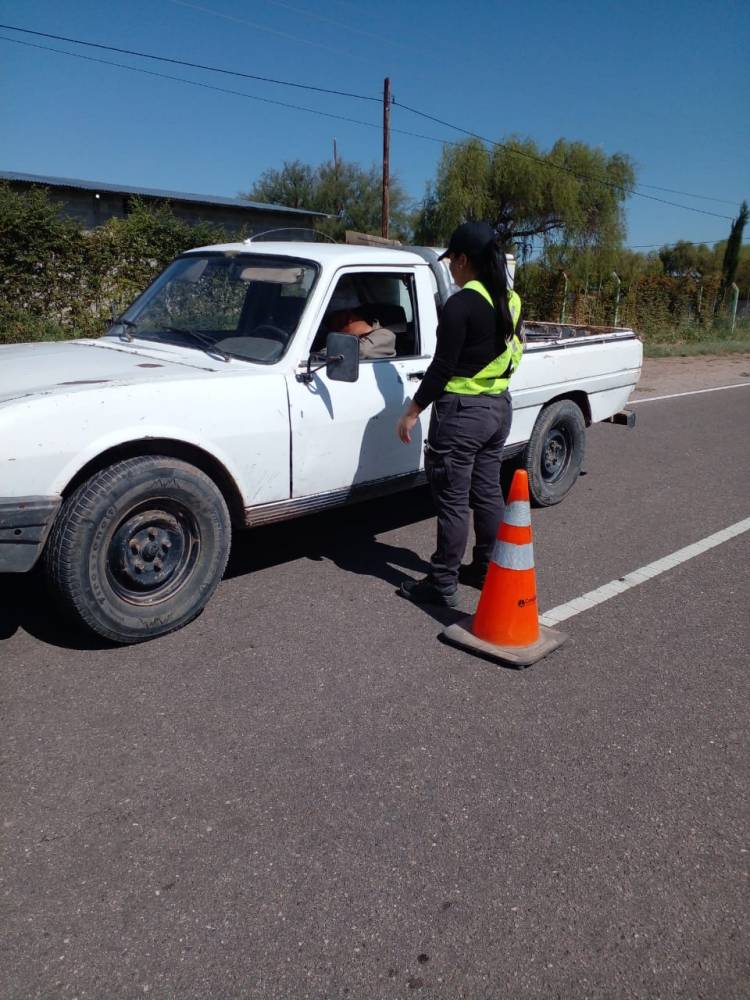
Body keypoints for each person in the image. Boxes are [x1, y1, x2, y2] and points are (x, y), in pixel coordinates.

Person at [395, 221, 523, 606]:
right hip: (498, 409)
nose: (450, 267)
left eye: (452, 260)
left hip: (462, 414)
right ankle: (485, 569)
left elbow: (442, 368)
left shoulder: (461, 304)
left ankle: (442, 582)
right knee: (486, 493)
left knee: (452, 500)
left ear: (465, 260)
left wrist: (412, 411)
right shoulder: (511, 300)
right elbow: (514, 349)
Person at [326, 306, 397, 359]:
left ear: (350, 319)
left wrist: (322, 353)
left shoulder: (385, 334)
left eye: (340, 325)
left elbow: (363, 350)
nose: (340, 333)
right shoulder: (354, 341)